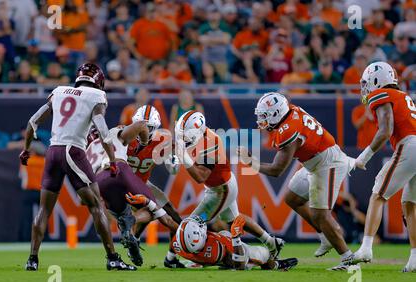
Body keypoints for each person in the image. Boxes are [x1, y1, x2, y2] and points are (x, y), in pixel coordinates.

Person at [19, 63, 134, 271]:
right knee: (96, 205)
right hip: (73, 151)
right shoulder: (96, 96)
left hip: (52, 151)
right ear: (98, 80)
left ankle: (32, 260)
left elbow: (33, 122)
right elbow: (102, 128)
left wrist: (26, 148)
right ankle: (113, 258)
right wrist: (113, 159)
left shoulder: (60, 90)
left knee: (45, 209)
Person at [238, 92, 355, 270]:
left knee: (320, 214)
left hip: (328, 163)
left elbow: (277, 170)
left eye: (264, 116)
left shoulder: (288, 130)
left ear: (276, 113)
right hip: (313, 162)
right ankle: (325, 235)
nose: (261, 120)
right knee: (292, 198)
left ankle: (348, 259)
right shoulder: (289, 112)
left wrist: (250, 163)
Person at [174, 110, 285, 258]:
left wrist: (183, 158)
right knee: (235, 219)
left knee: (192, 224)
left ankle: (178, 258)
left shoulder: (210, 143)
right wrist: (175, 160)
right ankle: (272, 242)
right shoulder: (196, 137)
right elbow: (175, 165)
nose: (183, 137)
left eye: (185, 134)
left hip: (221, 190)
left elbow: (200, 177)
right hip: (220, 185)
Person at [348, 61, 416, 272]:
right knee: (409, 204)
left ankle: (366, 247)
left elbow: (386, 131)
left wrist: (364, 156)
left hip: (410, 146)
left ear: (378, 80)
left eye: (367, 82)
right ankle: (414, 259)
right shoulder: (404, 96)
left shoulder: (382, 95)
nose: (365, 87)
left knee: (378, 194)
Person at [86, 117, 179, 268]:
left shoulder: (86, 151)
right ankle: (188, 239)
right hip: (124, 174)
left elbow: (84, 194)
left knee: (106, 213)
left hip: (101, 181)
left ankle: (114, 255)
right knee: (158, 213)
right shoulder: (117, 132)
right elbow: (141, 126)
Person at [126, 105, 184, 268]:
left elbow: (173, 168)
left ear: (155, 127)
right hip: (124, 184)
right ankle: (133, 236)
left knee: (175, 218)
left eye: (148, 127)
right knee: (153, 212)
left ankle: (171, 258)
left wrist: (173, 160)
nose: (143, 130)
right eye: (140, 125)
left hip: (143, 184)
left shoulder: (163, 139)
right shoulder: (125, 136)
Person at [173, 216, 298, 271]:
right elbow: (240, 265)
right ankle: (276, 264)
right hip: (239, 255)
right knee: (263, 254)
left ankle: (197, 263)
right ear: (198, 237)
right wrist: (236, 237)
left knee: (218, 223)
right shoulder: (216, 250)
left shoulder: (179, 245)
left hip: (205, 253)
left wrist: (170, 258)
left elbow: (176, 237)